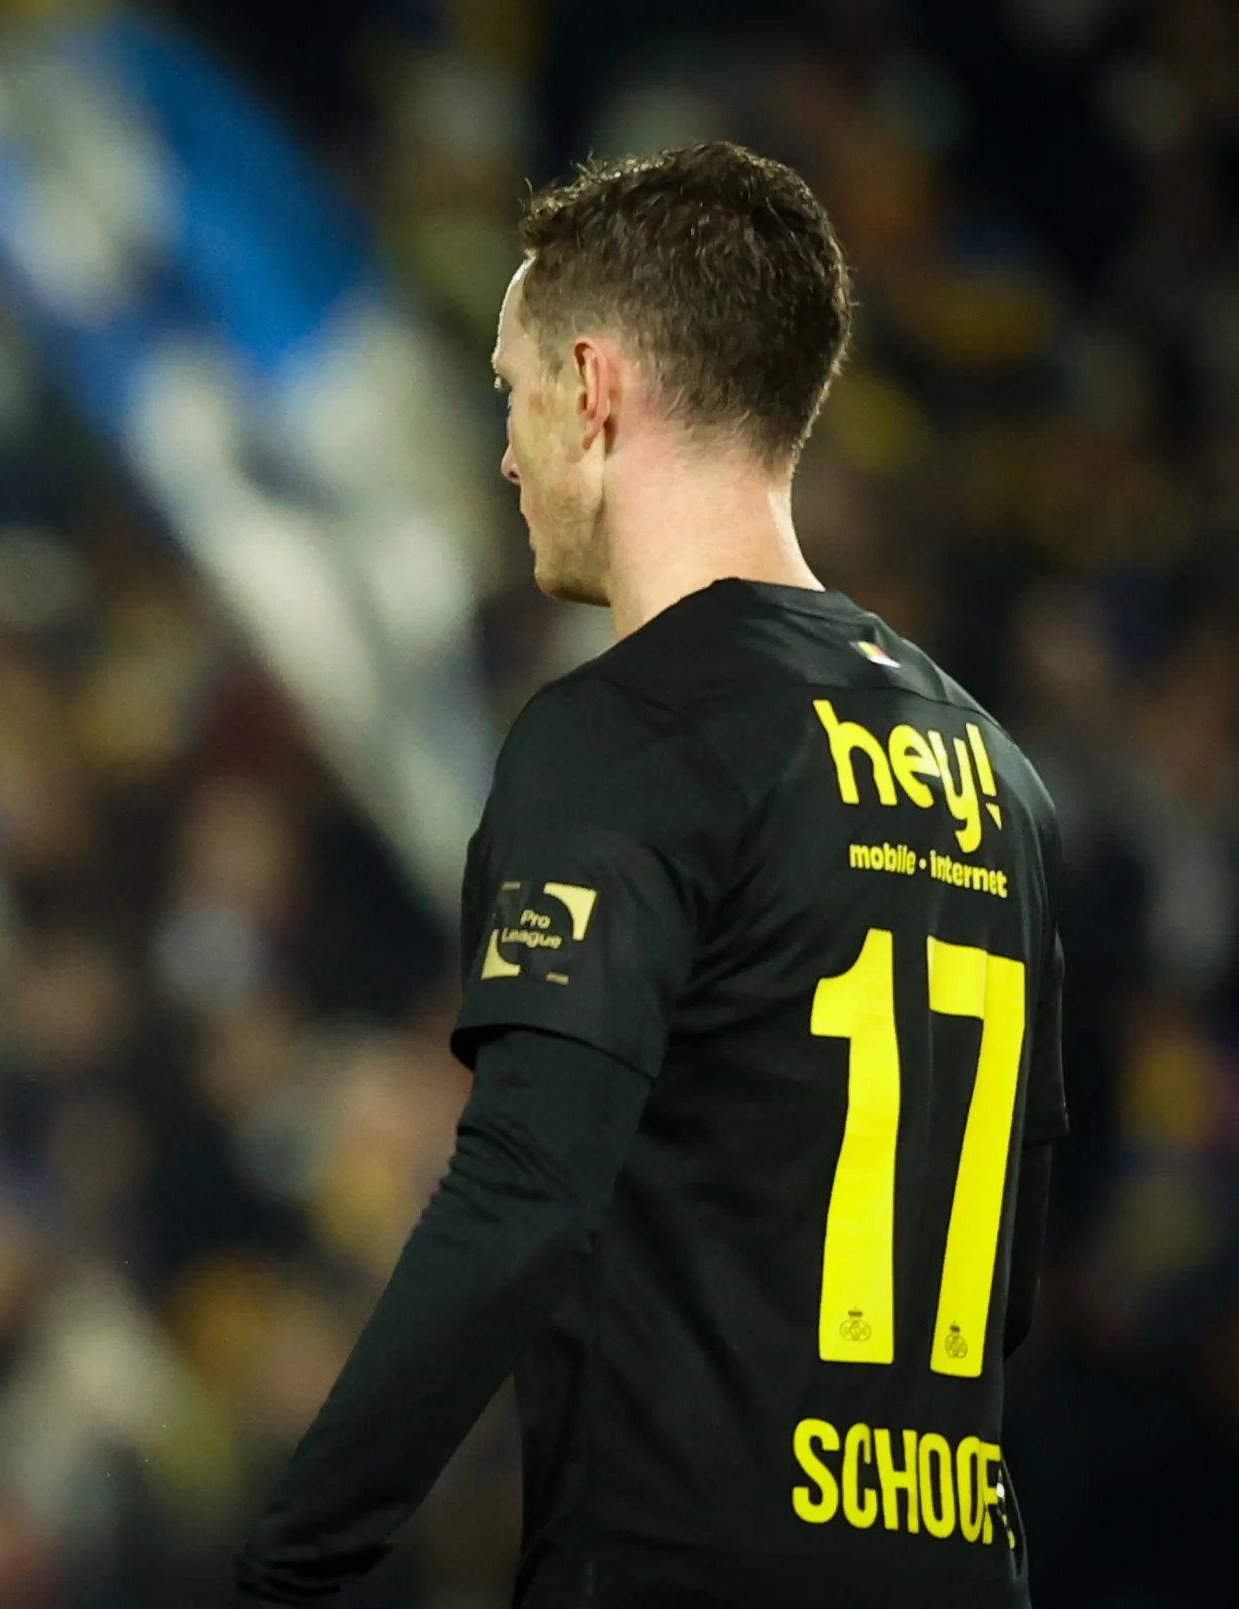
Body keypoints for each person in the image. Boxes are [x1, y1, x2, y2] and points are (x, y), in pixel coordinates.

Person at [235, 142, 1062, 1608]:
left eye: (512, 389)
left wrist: (288, 1566)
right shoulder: (994, 773)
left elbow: (521, 1194)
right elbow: (1014, 1250)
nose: (504, 451)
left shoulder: (629, 734)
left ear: (597, 388)